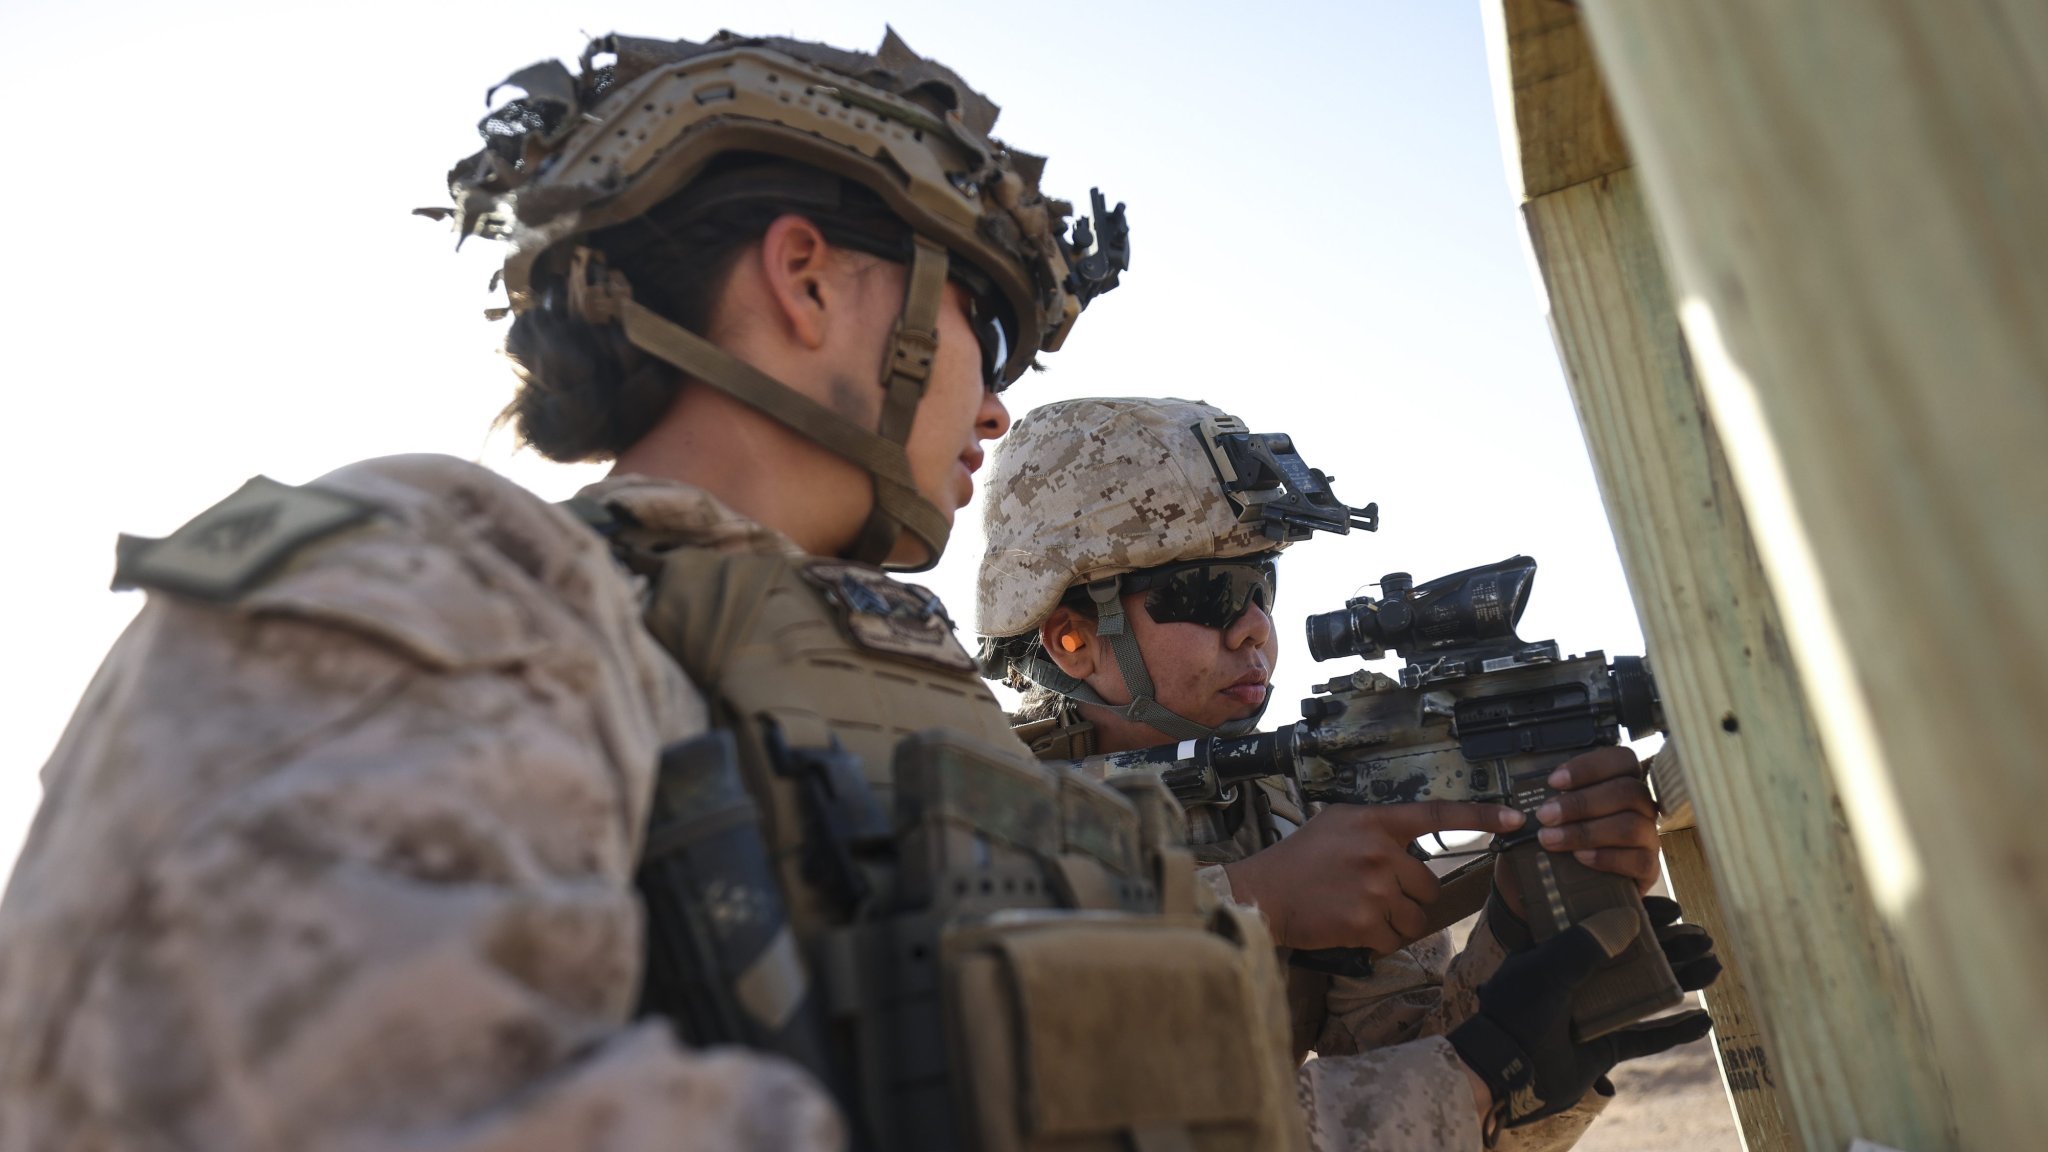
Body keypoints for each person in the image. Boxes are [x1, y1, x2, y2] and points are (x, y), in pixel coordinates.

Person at [0, 32, 1324, 1152]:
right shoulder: (430, 573)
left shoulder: (881, 686)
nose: (996, 401)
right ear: (806, 280)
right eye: (981, 318)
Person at [976, 396, 1721, 1149]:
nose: (1253, 628)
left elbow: (1402, 1073)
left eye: (1261, 585)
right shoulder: (972, 810)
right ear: (1072, 637)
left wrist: (1518, 949)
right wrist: (1256, 900)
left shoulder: (1293, 808)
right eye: (1206, 595)